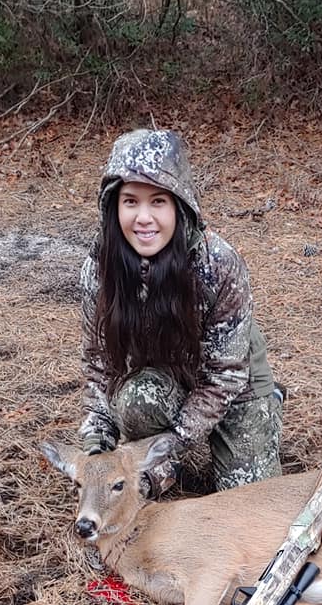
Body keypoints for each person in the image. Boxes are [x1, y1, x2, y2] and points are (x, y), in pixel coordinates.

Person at [79, 128, 282, 497]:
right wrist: (96, 448)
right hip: (166, 379)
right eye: (130, 201)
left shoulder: (219, 264)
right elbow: (98, 365)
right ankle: (161, 468)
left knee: (251, 501)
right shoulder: (100, 268)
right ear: (113, 207)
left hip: (235, 388)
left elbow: (225, 377)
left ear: (179, 206)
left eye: (158, 201)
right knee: (136, 403)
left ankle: (269, 406)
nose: (143, 217)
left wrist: (172, 444)